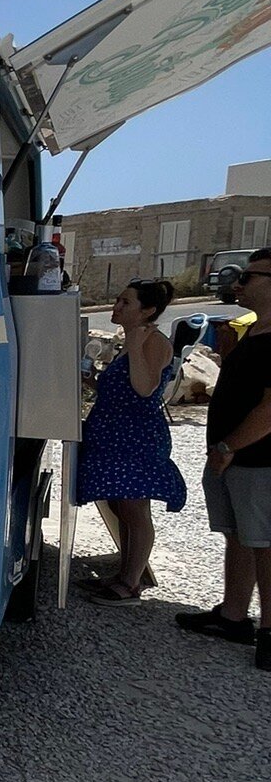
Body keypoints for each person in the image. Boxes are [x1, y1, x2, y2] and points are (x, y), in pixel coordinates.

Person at [176, 246, 271, 669]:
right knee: (238, 535)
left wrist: (230, 447)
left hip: (258, 460)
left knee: (266, 545)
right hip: (233, 458)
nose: (239, 284)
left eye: (250, 278)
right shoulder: (253, 330)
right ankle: (234, 615)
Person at [76, 277, 185, 600]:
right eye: (118, 300)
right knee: (122, 506)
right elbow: (122, 391)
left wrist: (135, 347)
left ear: (147, 310)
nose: (116, 307)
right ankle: (124, 573)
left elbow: (144, 388)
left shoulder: (152, 342)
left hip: (136, 438)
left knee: (135, 509)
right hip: (115, 435)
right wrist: (93, 381)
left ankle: (132, 582)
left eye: (126, 302)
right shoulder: (131, 340)